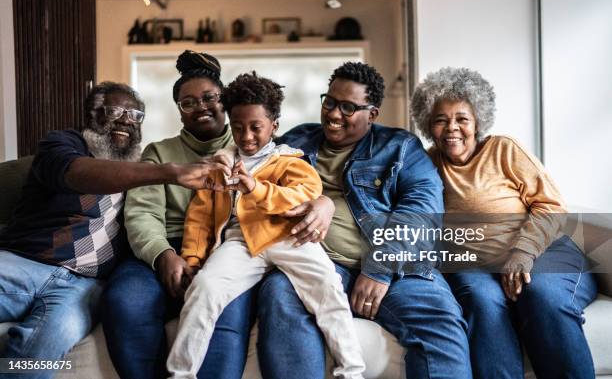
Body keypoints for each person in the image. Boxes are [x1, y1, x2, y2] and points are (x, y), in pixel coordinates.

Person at [256, 62, 472, 379]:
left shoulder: (399, 147)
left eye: (348, 107)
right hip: (314, 263)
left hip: (395, 268)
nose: (333, 114)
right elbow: (257, 189)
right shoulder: (296, 143)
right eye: (329, 102)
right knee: (278, 293)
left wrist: (380, 265)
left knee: (439, 319)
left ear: (372, 114)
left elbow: (423, 212)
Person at [0, 81, 222, 379]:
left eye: (135, 116)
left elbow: (147, 220)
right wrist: (169, 172)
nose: (126, 120)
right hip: (24, 263)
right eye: (115, 111)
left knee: (48, 343)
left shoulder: (141, 166)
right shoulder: (63, 146)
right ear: (92, 115)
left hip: (82, 287)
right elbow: (77, 174)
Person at [166, 72, 366, 379]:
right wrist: (193, 258)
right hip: (240, 242)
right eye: (238, 127)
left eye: (256, 127)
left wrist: (255, 189)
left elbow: (304, 195)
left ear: (274, 126)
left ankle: (351, 371)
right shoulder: (220, 165)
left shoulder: (290, 160)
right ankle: (181, 373)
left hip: (289, 238)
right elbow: (200, 216)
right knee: (205, 287)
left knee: (328, 288)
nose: (246, 136)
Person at [410, 66, 598, 379]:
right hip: (476, 266)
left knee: (542, 295)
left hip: (544, 251)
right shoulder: (427, 164)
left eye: (462, 118)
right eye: (440, 119)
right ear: (429, 125)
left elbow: (551, 204)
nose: (451, 128)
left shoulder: (504, 149)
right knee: (482, 302)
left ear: (477, 121)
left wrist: (523, 252)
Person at [101, 52, 262, 379]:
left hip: (227, 251)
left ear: (224, 100)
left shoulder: (252, 146)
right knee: (124, 301)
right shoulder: (159, 153)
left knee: (224, 310)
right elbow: (142, 213)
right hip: (165, 249)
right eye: (188, 103)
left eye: (209, 98)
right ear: (179, 112)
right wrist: (163, 256)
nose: (201, 106)